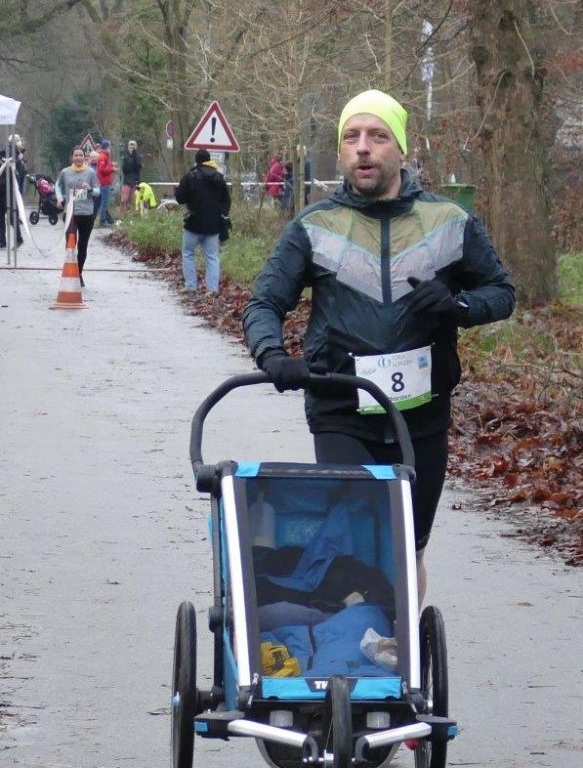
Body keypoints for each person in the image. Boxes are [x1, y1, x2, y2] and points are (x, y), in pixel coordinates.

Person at [242, 89, 515, 603]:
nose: (363, 147)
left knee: (408, 546)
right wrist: (272, 355)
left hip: (422, 415)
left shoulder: (449, 222)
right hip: (341, 409)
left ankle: (399, 643)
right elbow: (264, 303)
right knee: (357, 540)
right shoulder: (313, 227)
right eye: (351, 137)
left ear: (401, 148)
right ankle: (356, 635)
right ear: (341, 151)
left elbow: (501, 294)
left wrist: (457, 306)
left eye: (377, 136)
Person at [174, 149, 231, 294]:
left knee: (188, 253)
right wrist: (222, 215)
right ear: (209, 159)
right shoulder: (219, 177)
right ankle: (212, 290)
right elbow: (226, 200)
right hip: (213, 225)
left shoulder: (190, 176)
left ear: (196, 160)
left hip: (193, 223)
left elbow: (180, 198)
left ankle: (191, 287)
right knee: (212, 257)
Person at [55, 146, 100, 286]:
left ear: (84, 157)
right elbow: (57, 186)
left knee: (82, 246)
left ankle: (78, 273)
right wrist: (59, 198)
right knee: (70, 245)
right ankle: (70, 272)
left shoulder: (90, 172)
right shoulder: (65, 172)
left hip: (87, 214)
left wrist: (90, 189)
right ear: (72, 157)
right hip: (71, 214)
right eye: (76, 155)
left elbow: (98, 191)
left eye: (81, 155)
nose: (78, 157)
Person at [96, 139, 115, 225]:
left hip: (104, 181)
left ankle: (105, 219)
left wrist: (112, 165)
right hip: (104, 182)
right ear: (106, 147)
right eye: (109, 147)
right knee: (104, 202)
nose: (110, 148)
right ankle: (102, 220)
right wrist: (112, 169)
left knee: (104, 201)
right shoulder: (103, 156)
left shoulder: (104, 156)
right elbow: (102, 169)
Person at [120, 140, 142, 209]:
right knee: (124, 200)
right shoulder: (125, 157)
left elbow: (138, 166)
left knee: (134, 200)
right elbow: (124, 169)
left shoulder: (138, 157)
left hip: (136, 181)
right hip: (127, 180)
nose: (131, 148)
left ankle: (132, 213)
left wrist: (134, 155)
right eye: (130, 146)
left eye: (133, 146)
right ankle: (123, 213)